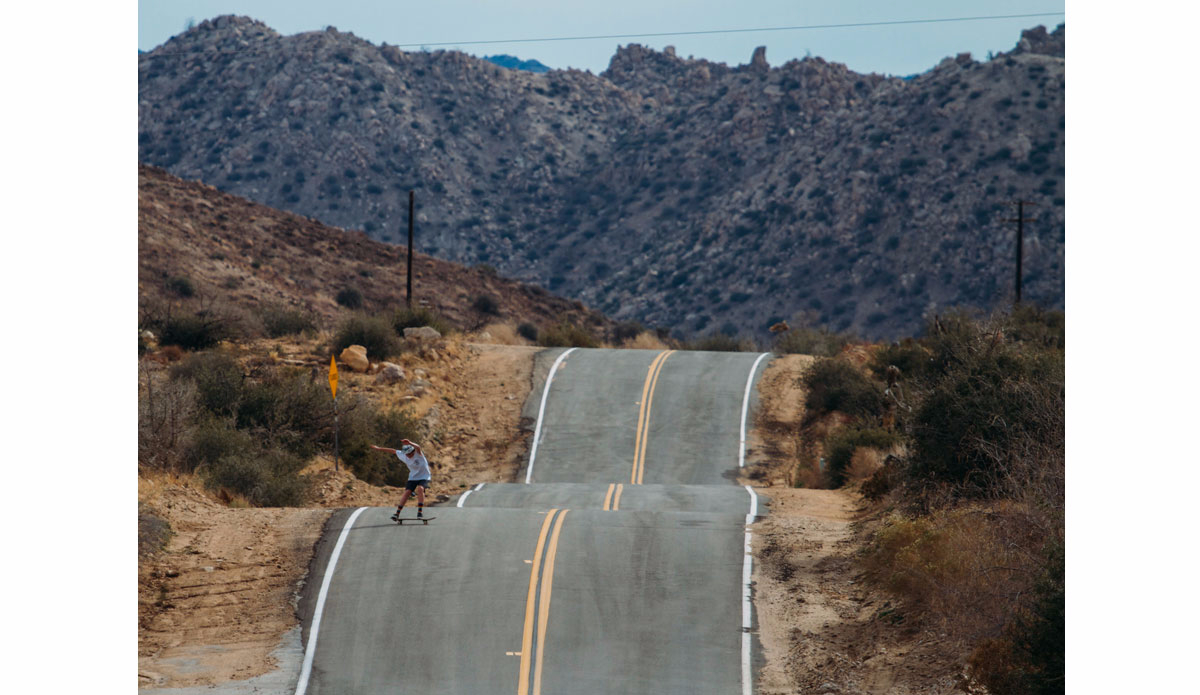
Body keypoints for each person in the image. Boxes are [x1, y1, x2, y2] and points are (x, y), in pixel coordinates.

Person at [370, 439, 433, 520]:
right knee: (407, 492)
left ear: (413, 452)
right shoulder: (403, 455)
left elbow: (418, 447)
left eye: (409, 454)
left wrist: (410, 442)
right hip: (413, 477)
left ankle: (419, 512)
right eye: (406, 454)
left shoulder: (418, 454)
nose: (408, 456)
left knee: (420, 489)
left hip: (424, 476)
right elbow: (393, 451)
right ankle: (397, 513)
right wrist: (379, 448)